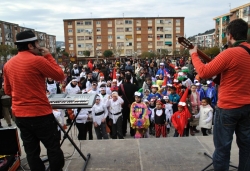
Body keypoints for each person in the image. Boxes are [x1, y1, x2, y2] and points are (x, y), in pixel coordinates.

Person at [189, 19, 250, 171]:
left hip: (229, 107)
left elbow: (203, 72)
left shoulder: (230, 53)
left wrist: (194, 55)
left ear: (229, 35)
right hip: (248, 108)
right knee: (247, 147)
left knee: (222, 148)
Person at [3, 30, 64, 171]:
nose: (39, 46)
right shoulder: (38, 60)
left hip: (20, 115)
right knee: (53, 147)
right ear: (30, 46)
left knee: (31, 151)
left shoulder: (8, 64)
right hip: (40, 114)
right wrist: (48, 55)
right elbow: (59, 75)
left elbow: (7, 90)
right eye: (37, 43)